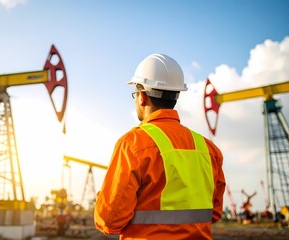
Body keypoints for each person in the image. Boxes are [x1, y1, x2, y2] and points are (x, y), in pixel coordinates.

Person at [94, 53, 226, 240]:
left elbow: (109, 220)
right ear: (175, 96)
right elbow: (214, 213)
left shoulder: (133, 145)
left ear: (141, 97)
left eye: (135, 94)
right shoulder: (209, 150)